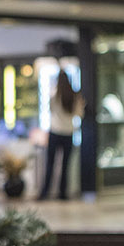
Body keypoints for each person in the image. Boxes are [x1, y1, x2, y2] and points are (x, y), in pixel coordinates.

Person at [38, 69, 84, 201]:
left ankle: (45, 193)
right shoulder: (75, 97)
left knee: (50, 164)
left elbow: (50, 110)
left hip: (55, 132)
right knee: (65, 166)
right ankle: (63, 193)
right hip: (68, 133)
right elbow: (79, 114)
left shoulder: (54, 95)